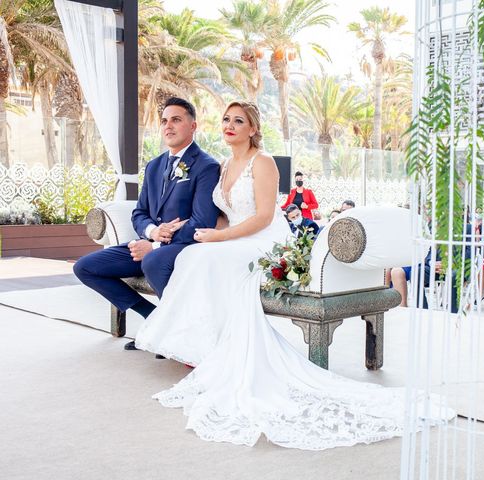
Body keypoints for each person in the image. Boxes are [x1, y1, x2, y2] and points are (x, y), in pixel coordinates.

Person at [134, 100, 453, 449]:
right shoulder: (225, 165)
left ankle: (209, 345)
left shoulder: (264, 163)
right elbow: (224, 214)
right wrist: (209, 234)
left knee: (201, 259)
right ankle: (205, 344)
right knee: (194, 256)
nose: (229, 125)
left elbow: (263, 216)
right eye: (226, 119)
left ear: (253, 129)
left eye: (238, 121)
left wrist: (219, 238)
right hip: (232, 237)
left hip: (263, 240)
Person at [73, 97, 220, 352]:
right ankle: (153, 317)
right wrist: (152, 232)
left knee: (153, 260)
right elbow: (139, 212)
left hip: (183, 246)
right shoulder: (154, 166)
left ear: (193, 126)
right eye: (164, 121)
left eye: (176, 120)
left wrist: (156, 243)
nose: (168, 126)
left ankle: (174, 331)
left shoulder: (207, 166)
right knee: (85, 267)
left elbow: (203, 221)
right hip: (150, 241)